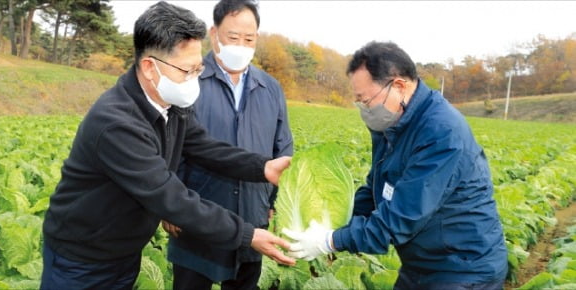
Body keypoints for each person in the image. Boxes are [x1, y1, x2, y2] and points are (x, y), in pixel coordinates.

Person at [40, 2, 296, 289]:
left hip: (124, 251)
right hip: (82, 259)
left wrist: (263, 167)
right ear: (150, 67)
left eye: (198, 69)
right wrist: (247, 235)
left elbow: (204, 147)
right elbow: (169, 197)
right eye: (187, 70)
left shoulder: (171, 105)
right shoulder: (117, 124)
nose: (195, 80)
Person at [283, 41, 508, 289]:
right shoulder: (391, 122)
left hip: (463, 269)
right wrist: (331, 222)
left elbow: (402, 218)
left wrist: (331, 241)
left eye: (366, 100)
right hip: (420, 264)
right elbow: (376, 188)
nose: (364, 110)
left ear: (398, 86)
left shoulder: (441, 131)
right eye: (358, 101)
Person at [163, 0, 294, 289]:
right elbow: (170, 145)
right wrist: (170, 206)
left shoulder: (270, 87)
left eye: (248, 39)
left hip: (251, 216)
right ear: (214, 34)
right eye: (233, 37)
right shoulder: (187, 78)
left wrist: (270, 201)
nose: (241, 45)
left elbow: (282, 147)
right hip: (197, 217)